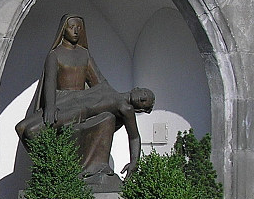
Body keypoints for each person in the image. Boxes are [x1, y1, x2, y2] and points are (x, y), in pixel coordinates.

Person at [16, 15, 152, 182]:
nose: (75, 31)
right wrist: (50, 106)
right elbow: (50, 82)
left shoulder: (124, 106)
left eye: (79, 28)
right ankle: (53, 167)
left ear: (141, 108)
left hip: (78, 110)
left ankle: (55, 169)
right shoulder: (56, 55)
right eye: (72, 26)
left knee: (31, 132)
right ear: (63, 30)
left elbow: (134, 136)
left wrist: (134, 162)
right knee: (20, 128)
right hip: (63, 100)